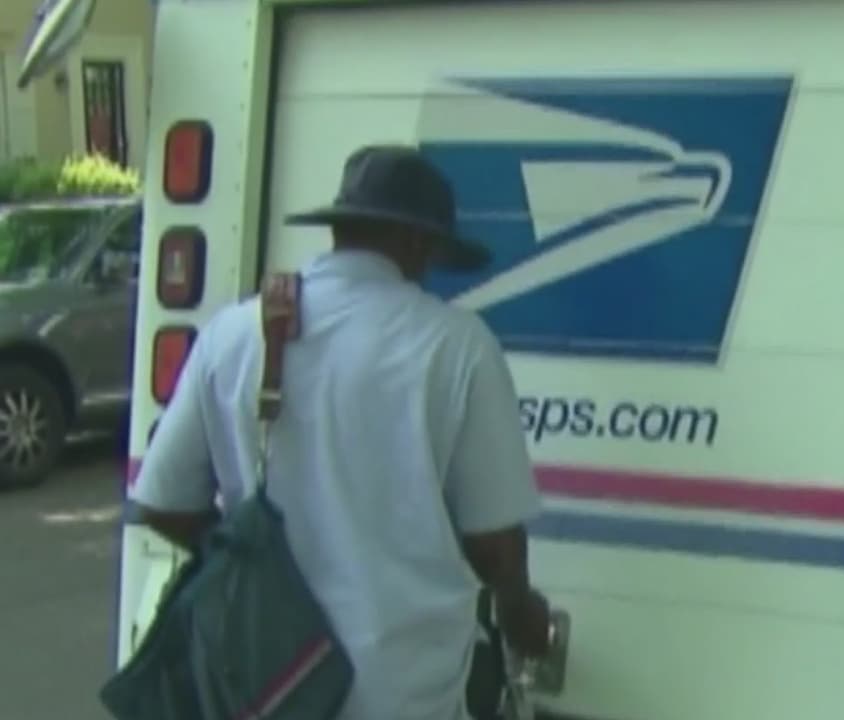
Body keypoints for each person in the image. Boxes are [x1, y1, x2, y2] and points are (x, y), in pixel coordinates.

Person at [129, 144, 552, 719]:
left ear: (340, 229)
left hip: (263, 686)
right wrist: (522, 613)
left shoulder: (232, 333)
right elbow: (495, 545)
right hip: (398, 694)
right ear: (417, 242)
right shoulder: (456, 346)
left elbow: (162, 504)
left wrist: (250, 567)